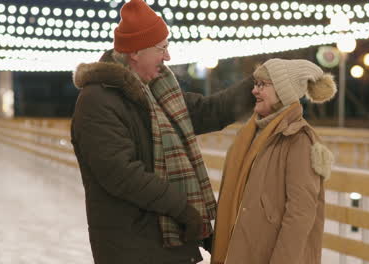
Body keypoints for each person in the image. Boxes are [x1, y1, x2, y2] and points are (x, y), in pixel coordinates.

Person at [70, 0, 255, 263]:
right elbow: (123, 175)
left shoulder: (159, 93)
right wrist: (184, 210)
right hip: (131, 249)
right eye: (162, 48)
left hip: (168, 244)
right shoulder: (98, 100)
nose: (167, 57)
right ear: (136, 52)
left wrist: (260, 82)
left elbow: (210, 110)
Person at [211, 59, 337, 264]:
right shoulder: (250, 134)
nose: (254, 91)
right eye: (255, 84)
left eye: (262, 85)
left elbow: (300, 214)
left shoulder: (298, 140)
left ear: (282, 91)